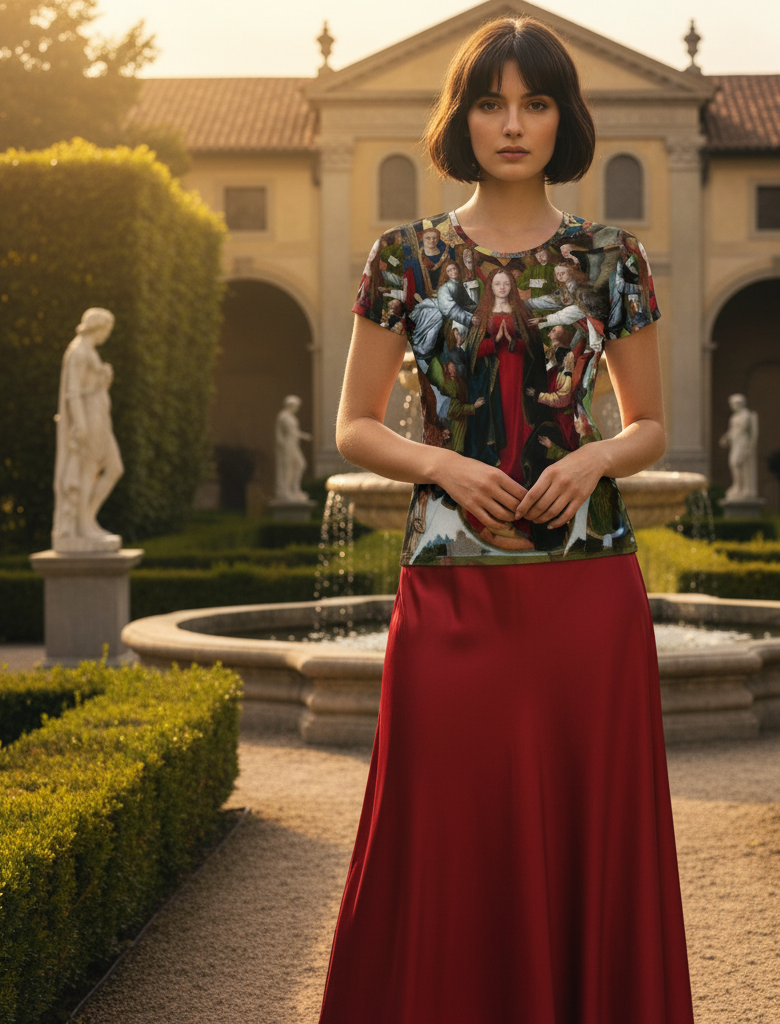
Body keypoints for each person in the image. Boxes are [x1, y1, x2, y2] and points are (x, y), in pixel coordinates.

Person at [320, 16, 693, 1024]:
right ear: (463, 118)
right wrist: (443, 464)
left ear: (563, 119)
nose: (513, 124)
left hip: (589, 593)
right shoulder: (404, 256)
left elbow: (651, 425)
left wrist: (594, 457)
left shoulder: (613, 256)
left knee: (587, 828)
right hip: (450, 588)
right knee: (447, 824)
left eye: (535, 103)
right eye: (491, 103)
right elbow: (353, 425)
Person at [52, 307, 124, 551]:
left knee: (114, 468)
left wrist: (103, 379)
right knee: (88, 470)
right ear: (98, 327)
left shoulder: (89, 351)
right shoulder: (79, 352)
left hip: (100, 416)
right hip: (89, 419)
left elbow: (88, 387)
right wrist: (80, 423)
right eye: (107, 330)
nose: (107, 335)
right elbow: (73, 392)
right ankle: (82, 525)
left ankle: (88, 519)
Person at [273, 394, 312, 502]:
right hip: (287, 445)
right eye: (296, 406)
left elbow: (294, 432)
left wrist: (304, 436)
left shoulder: (291, 417)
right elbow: (278, 434)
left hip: (294, 444)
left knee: (300, 465)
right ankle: (285, 491)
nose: (297, 408)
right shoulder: (283, 416)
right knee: (287, 468)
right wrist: (282, 447)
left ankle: (295, 489)